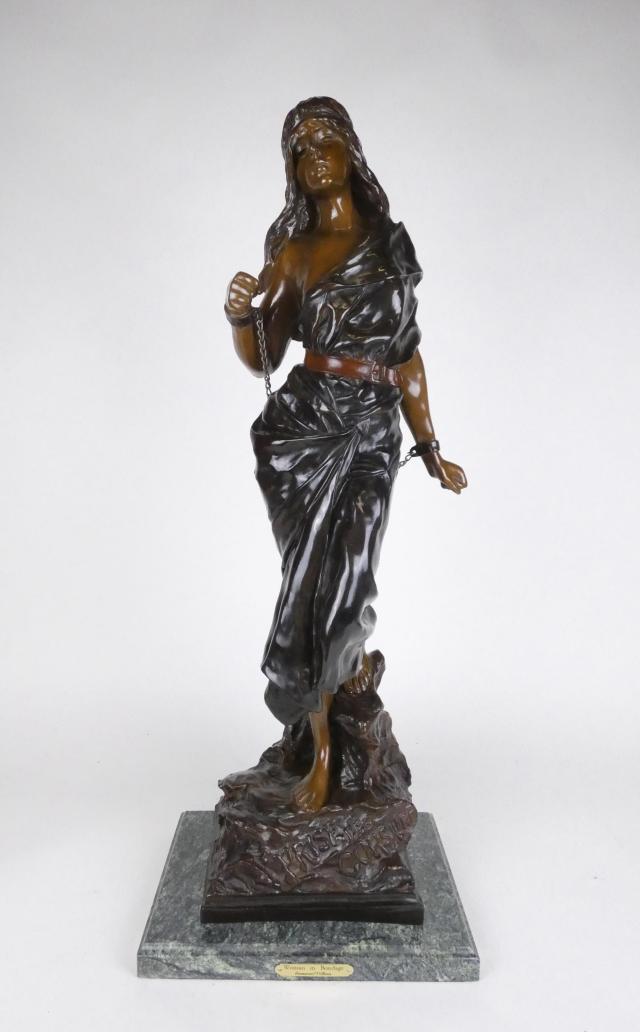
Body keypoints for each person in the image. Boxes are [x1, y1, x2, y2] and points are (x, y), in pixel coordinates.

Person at [224, 97, 467, 813]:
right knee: (310, 588)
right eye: (300, 148)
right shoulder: (293, 254)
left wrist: (430, 447)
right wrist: (240, 316)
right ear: (293, 168)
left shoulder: (389, 247)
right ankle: (322, 744)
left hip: (372, 433)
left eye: (325, 139)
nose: (315, 155)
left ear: (351, 151)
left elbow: (407, 356)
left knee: (348, 582)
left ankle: (342, 691)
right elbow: (262, 356)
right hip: (304, 433)